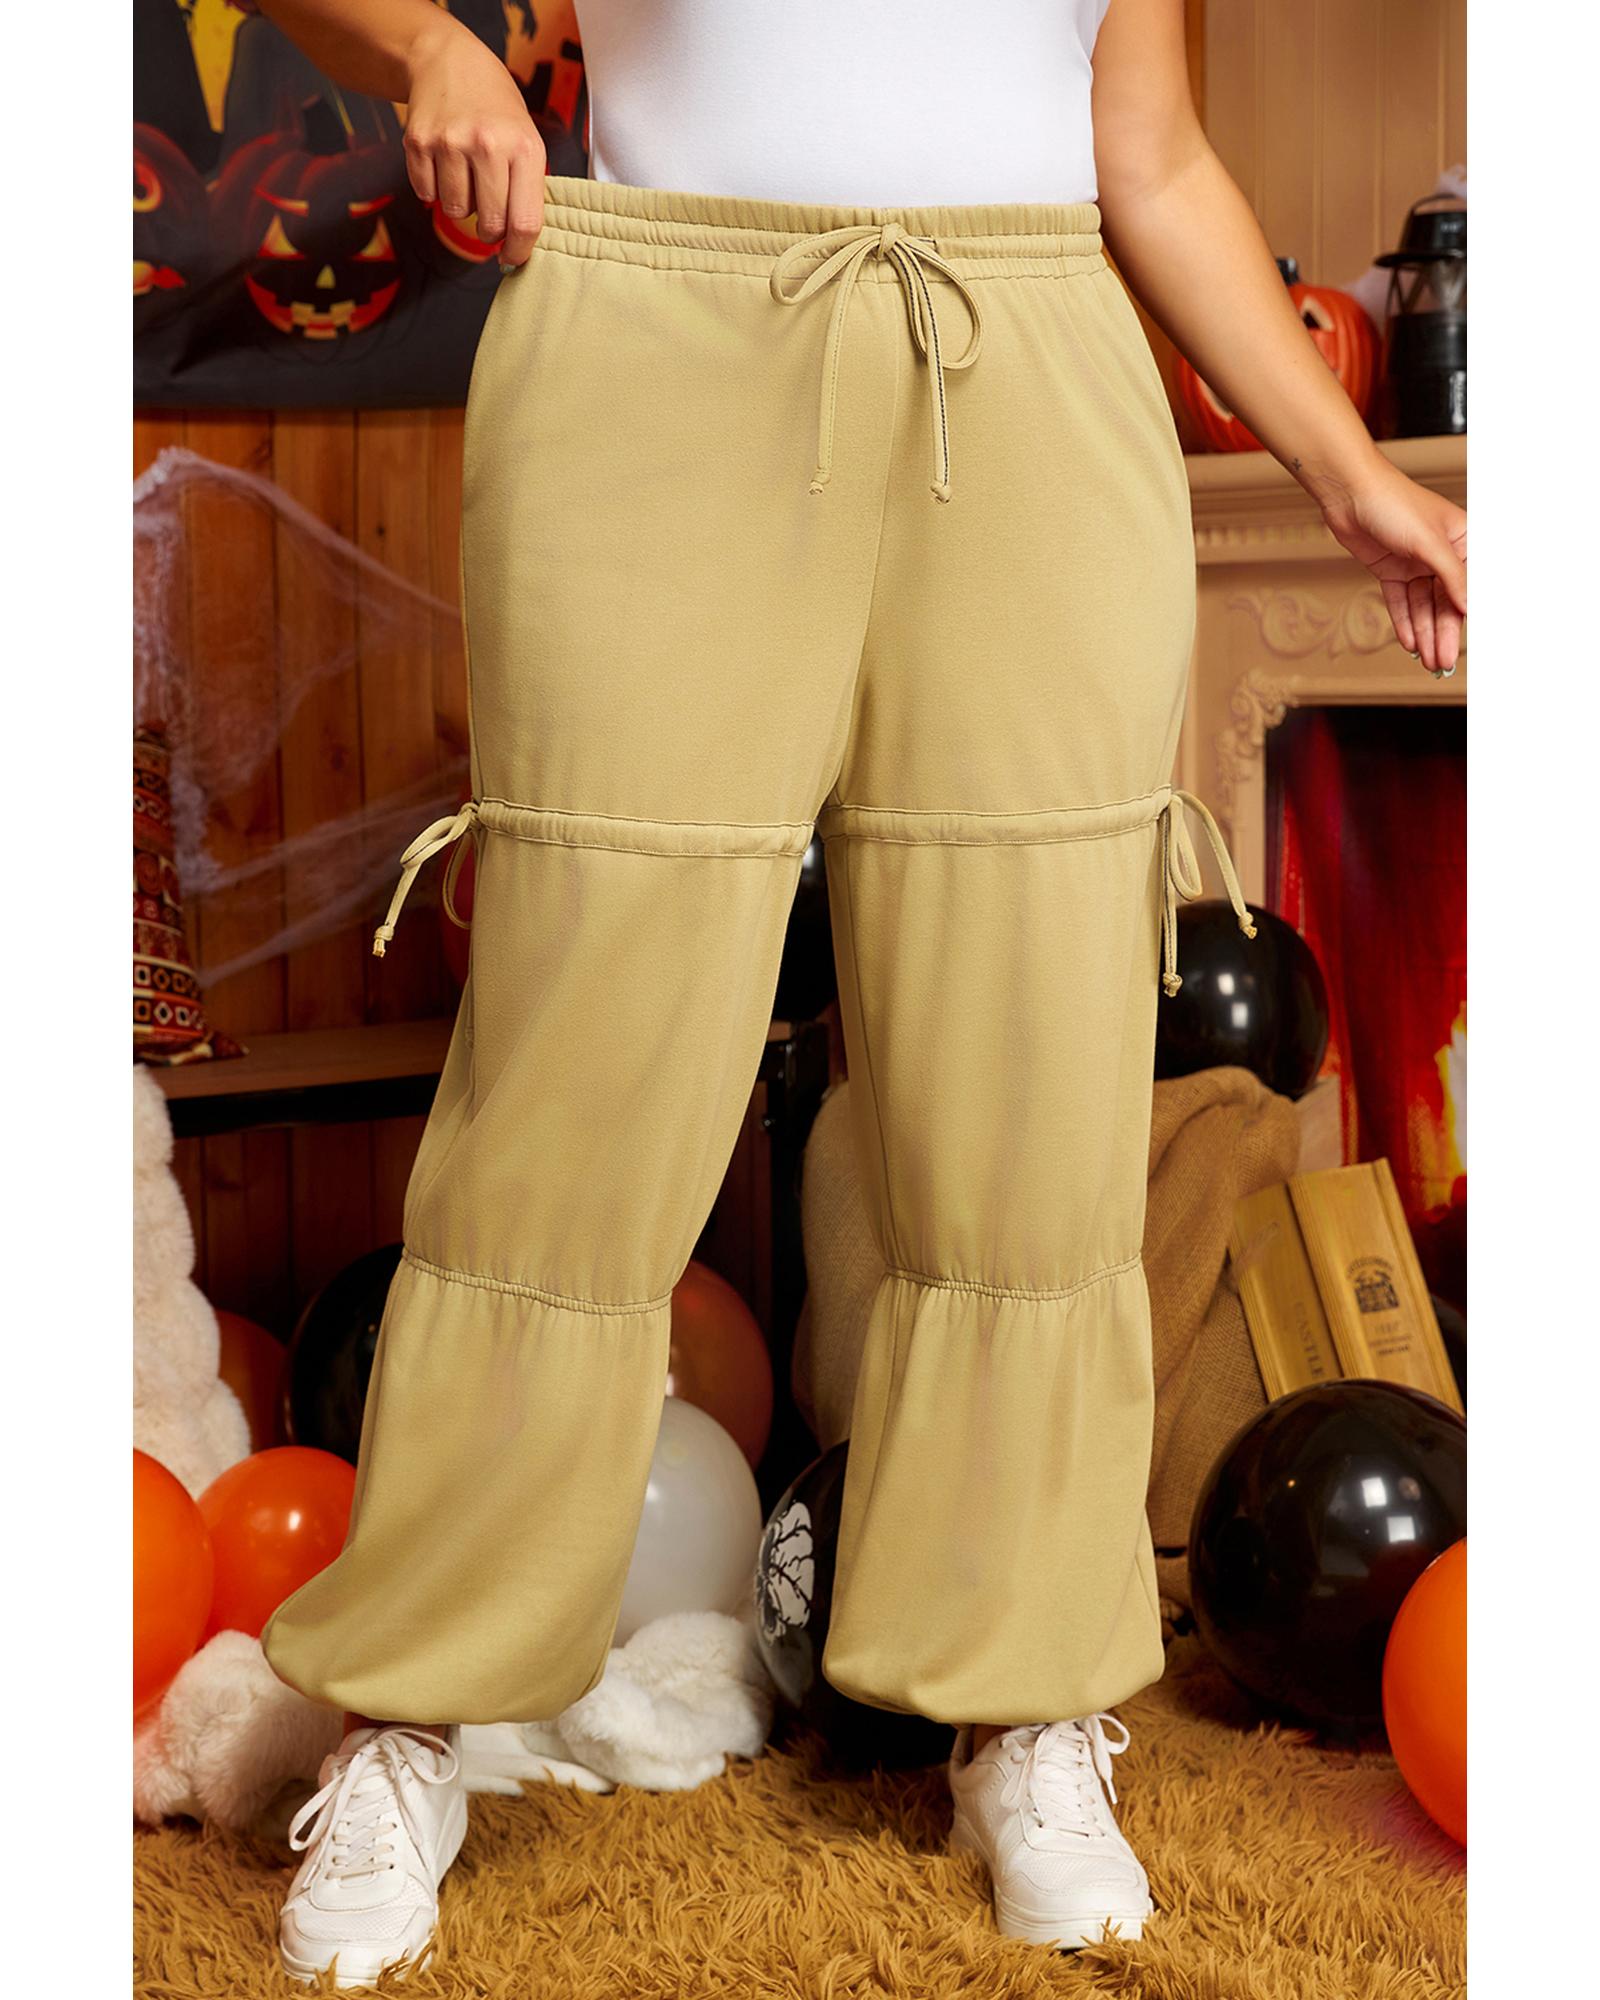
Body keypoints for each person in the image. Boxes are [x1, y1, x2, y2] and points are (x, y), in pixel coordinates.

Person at [250, 2, 1467, 1985]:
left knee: (1031, 1080)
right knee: (577, 1068)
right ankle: (410, 1712)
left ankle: (1024, 1708)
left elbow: (1149, 158)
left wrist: (1347, 476)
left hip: (1033, 366)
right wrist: (430, 55)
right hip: (659, 353)